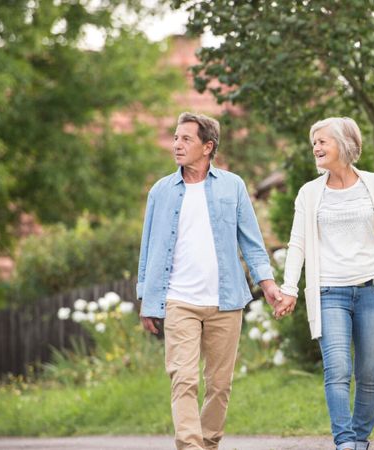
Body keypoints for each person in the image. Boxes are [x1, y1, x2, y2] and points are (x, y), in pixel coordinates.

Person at [276, 117, 374, 450]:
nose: (315, 147)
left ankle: (360, 439)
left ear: (344, 144)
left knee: (370, 372)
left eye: (322, 141)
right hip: (329, 292)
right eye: (313, 142)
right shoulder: (309, 193)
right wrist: (289, 288)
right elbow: (297, 243)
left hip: (373, 289)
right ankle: (344, 442)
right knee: (337, 369)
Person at [136, 112, 282, 450]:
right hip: (178, 300)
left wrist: (268, 283)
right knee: (182, 378)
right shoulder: (160, 192)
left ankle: (209, 441)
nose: (177, 144)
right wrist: (147, 297)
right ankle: (190, 446)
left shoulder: (233, 186)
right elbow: (148, 248)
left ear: (207, 146)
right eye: (175, 138)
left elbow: (252, 242)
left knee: (219, 384)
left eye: (186, 139)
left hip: (225, 301)